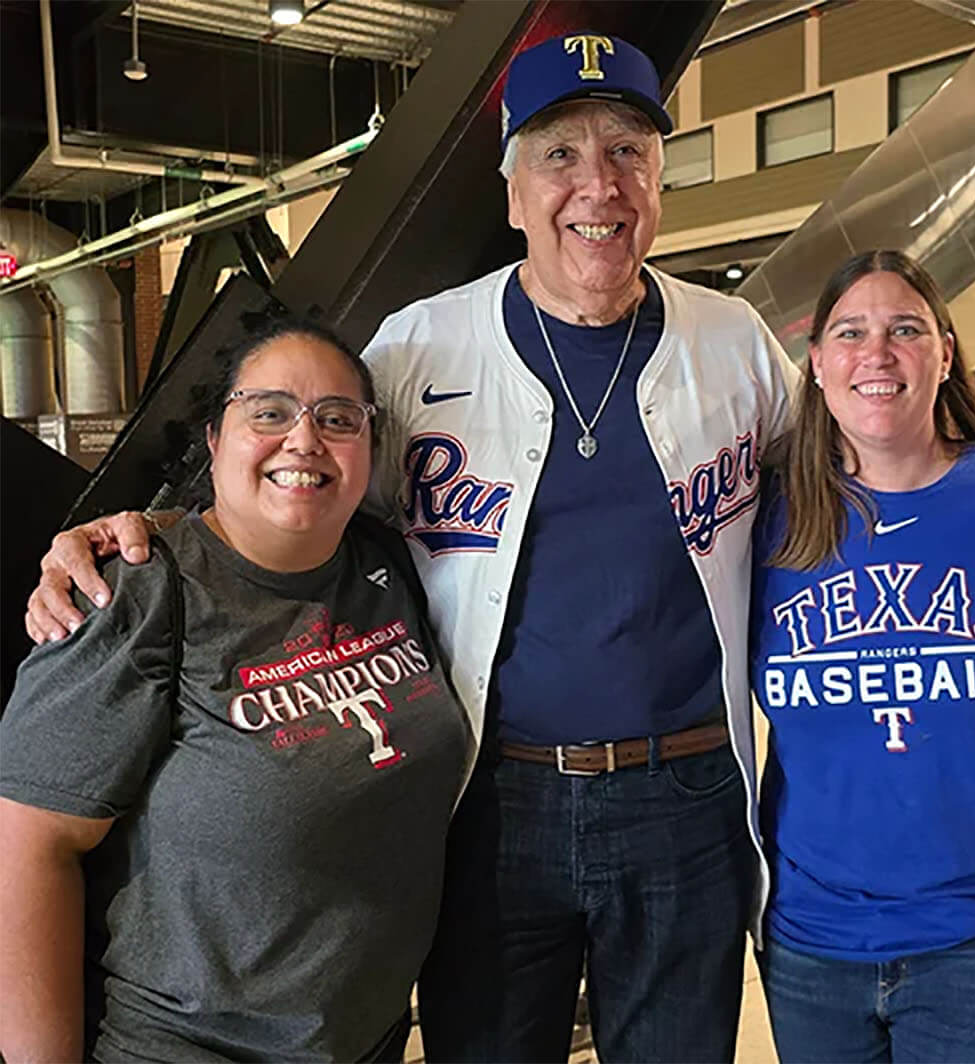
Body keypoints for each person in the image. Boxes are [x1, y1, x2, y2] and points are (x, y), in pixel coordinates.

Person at [23, 33, 793, 1063]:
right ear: (513, 188)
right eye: (560, 154)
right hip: (491, 796)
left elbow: (836, 487)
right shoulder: (419, 346)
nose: (596, 184)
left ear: (659, 178)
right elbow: (308, 489)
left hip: (688, 794)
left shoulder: (737, 341)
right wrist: (154, 532)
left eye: (627, 151)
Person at [0, 317, 471, 1061]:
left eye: (338, 418)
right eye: (270, 411)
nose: (305, 439)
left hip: (364, 1041)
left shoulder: (383, 566)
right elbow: (27, 850)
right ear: (216, 439)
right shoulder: (138, 589)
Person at [750, 250, 975, 1063]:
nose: (878, 352)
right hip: (813, 937)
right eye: (851, 332)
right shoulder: (762, 523)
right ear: (818, 364)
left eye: (905, 329)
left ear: (944, 353)